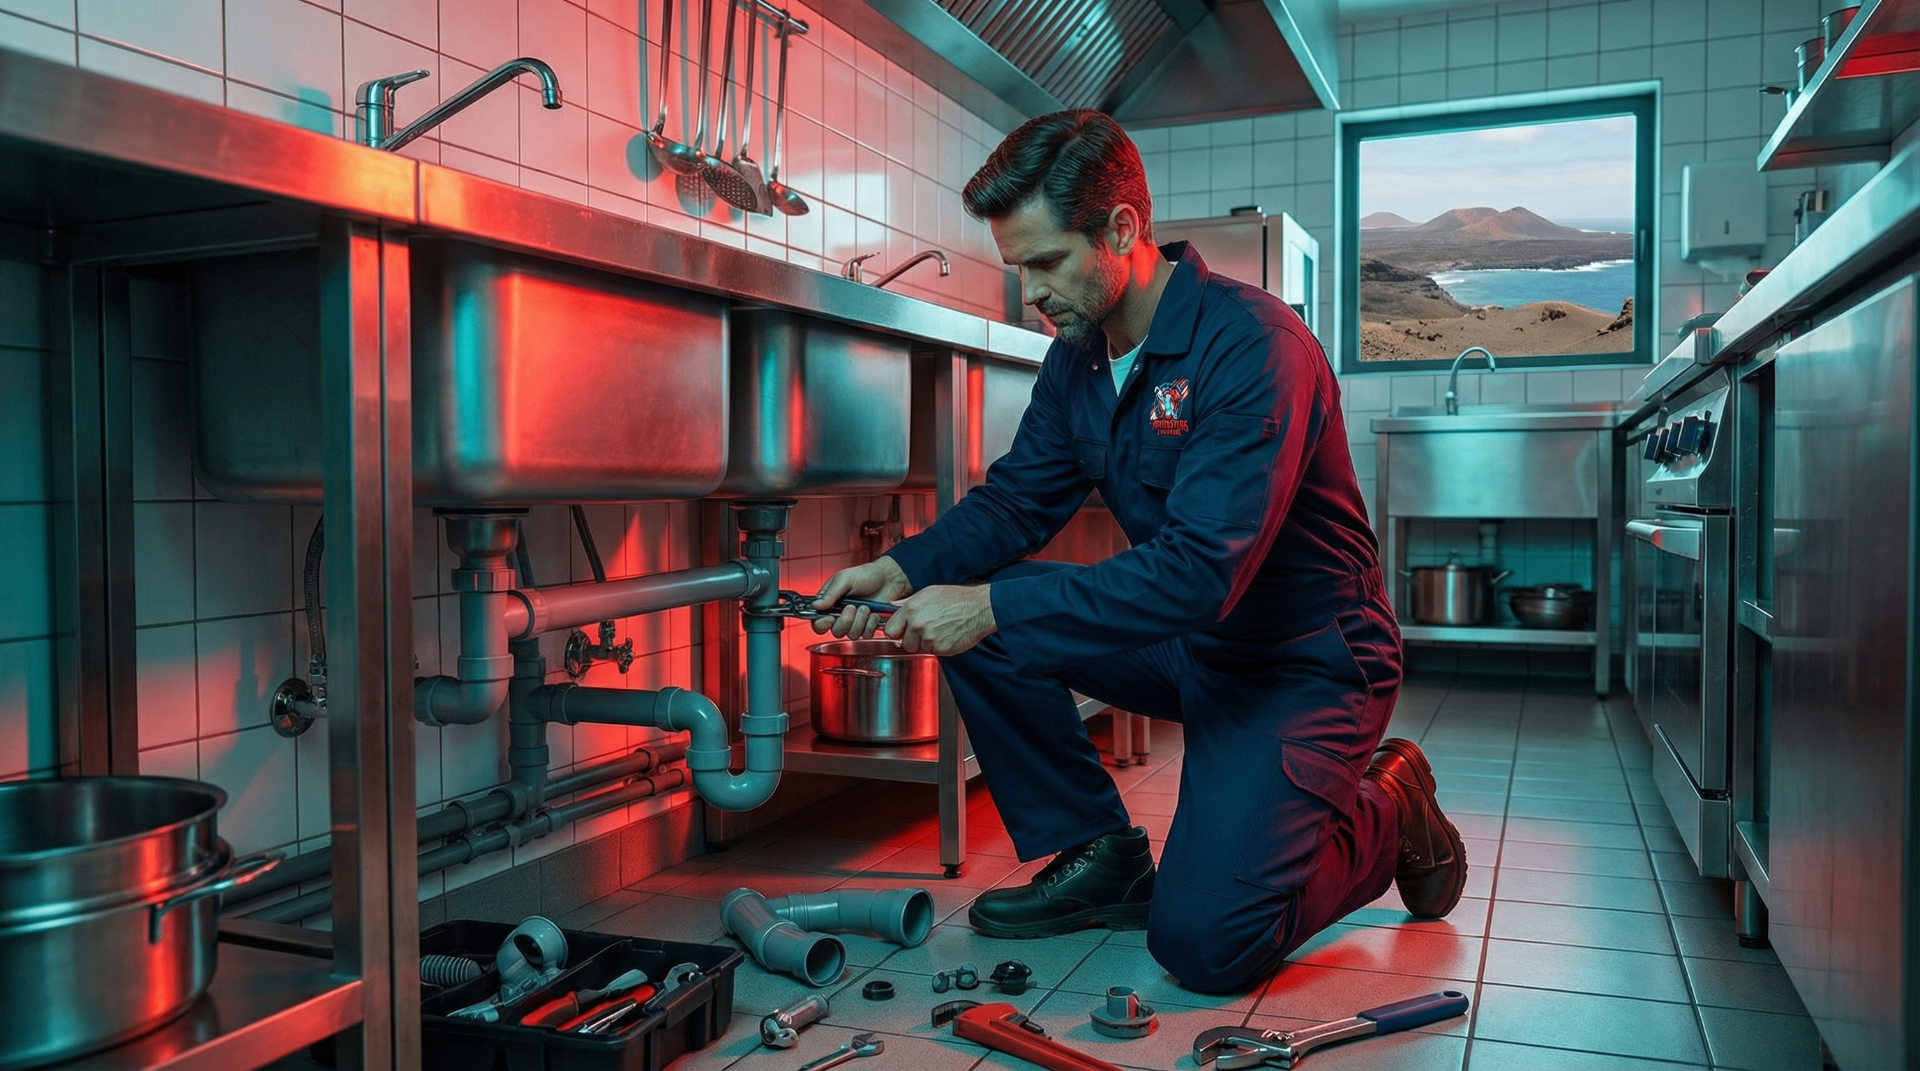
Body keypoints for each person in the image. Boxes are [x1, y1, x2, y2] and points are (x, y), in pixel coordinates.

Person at [809, 109, 1465, 994]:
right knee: (987, 616)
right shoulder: (1079, 356)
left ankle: (1391, 804)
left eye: (1046, 263)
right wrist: (908, 568)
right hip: (1193, 641)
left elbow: (1199, 569)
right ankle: (1102, 854)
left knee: (1204, 945)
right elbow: (1017, 499)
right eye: (1018, 268)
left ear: (1122, 229)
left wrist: (989, 604)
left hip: (1303, 660)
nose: (1030, 294)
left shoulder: (1254, 349)